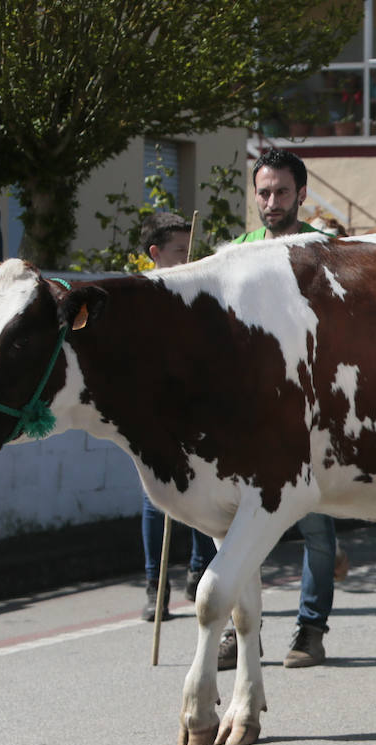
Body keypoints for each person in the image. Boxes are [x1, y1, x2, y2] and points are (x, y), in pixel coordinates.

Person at [220, 148, 345, 669]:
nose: (271, 202)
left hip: (309, 405)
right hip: (249, 408)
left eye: (281, 193)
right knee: (230, 526)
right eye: (263, 192)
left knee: (314, 521)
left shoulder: (324, 249)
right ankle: (236, 629)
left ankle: (311, 629)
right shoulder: (235, 252)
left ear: (301, 194)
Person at [136, 212, 218, 621]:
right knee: (156, 501)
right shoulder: (140, 296)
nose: (189, 258)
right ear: (155, 254)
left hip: (196, 407)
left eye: (191, 250)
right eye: (179, 252)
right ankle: (156, 585)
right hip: (152, 410)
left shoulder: (195, 290)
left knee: (203, 493)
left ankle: (201, 569)